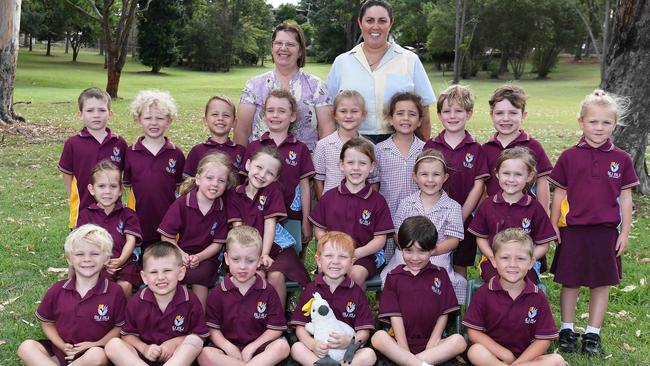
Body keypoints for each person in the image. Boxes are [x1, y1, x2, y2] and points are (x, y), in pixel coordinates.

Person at [549, 90, 639, 356]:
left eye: (606, 122)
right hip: (573, 230)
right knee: (571, 281)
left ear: (615, 124)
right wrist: (554, 223)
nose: (599, 128)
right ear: (581, 122)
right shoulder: (569, 156)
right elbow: (560, 193)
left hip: (605, 232)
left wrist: (625, 232)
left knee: (601, 283)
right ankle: (566, 330)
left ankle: (592, 335)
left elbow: (625, 199)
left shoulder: (621, 159)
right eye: (593, 122)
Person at [326, 0, 435, 144]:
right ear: (360, 22)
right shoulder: (342, 62)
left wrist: (424, 149)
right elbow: (329, 110)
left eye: (382, 21)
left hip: (400, 142)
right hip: (351, 146)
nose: (375, 26)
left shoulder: (409, 60)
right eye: (369, 20)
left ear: (391, 23)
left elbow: (424, 111)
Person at [17, 224, 127, 366]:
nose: (87, 259)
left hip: (93, 353)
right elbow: (47, 323)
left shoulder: (114, 292)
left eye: (94, 253)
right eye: (79, 254)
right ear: (69, 259)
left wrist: (96, 344)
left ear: (106, 258)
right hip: (61, 352)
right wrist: (62, 345)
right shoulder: (58, 289)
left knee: (97, 355)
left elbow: (119, 328)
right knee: (26, 347)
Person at [372, 216, 466, 366]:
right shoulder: (393, 277)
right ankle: (419, 363)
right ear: (401, 249)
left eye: (422, 251)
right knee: (379, 338)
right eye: (409, 250)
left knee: (459, 341)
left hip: (432, 345)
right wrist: (403, 349)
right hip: (400, 344)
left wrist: (433, 342)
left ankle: (410, 362)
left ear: (432, 250)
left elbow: (444, 313)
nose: (415, 258)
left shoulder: (440, 274)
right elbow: (395, 317)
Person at [463, 228, 565, 366]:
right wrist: (504, 354)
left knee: (557, 360)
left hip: (526, 359)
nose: (512, 264)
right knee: (475, 351)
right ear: (493, 261)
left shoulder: (537, 296)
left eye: (521, 259)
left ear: (531, 263)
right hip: (494, 357)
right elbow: (474, 332)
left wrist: (518, 363)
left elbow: (544, 340)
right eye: (505, 258)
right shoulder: (484, 293)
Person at [227, 147, 310, 309]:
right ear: (248, 165)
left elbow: (270, 224)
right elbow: (239, 231)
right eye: (259, 167)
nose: (262, 175)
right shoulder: (235, 194)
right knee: (255, 275)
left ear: (276, 178)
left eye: (270, 173)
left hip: (275, 248)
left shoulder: (273, 191)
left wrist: (264, 254)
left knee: (276, 276)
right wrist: (252, 256)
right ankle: (254, 320)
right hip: (246, 249)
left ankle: (277, 321)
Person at [381, 149, 466, 304]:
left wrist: (431, 252)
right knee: (390, 277)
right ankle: (396, 315)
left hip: (437, 255)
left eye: (436, 174)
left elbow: (454, 240)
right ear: (415, 177)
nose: (430, 180)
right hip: (406, 254)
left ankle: (435, 315)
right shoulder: (407, 203)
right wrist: (409, 249)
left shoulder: (452, 206)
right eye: (424, 174)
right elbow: (396, 232)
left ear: (445, 177)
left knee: (436, 281)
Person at [198, 225, 290, 366]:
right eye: (236, 259)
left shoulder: (268, 291)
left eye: (250, 260)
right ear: (227, 259)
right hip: (227, 350)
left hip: (259, 349)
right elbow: (212, 328)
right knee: (205, 355)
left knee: (282, 347)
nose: (242, 267)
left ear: (259, 260)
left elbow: (275, 328)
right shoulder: (218, 293)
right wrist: (228, 347)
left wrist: (251, 348)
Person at [104, 242, 208, 366]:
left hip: (176, 359)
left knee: (195, 341)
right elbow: (127, 335)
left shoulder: (190, 299)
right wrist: (144, 349)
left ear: (181, 273)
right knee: (113, 345)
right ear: (144, 277)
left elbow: (201, 335)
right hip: (142, 359)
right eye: (153, 272)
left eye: (167, 270)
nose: (160, 277)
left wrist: (174, 343)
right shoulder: (137, 301)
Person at [310, 138, 394, 289]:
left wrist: (356, 253)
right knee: (326, 272)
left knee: (355, 275)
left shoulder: (377, 201)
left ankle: (354, 310)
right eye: (350, 163)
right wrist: (333, 249)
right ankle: (328, 310)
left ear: (372, 167)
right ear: (341, 165)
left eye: (362, 163)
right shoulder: (329, 197)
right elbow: (319, 229)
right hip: (333, 254)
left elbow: (380, 238)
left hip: (362, 255)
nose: (356, 168)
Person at [235, 23, 334, 151]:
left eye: (290, 44)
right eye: (278, 43)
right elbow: (242, 130)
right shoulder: (254, 86)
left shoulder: (317, 87)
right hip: (260, 166)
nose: (283, 48)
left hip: (306, 167)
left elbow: (327, 131)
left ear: (300, 51)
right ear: (272, 48)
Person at [425, 85, 489, 279]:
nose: (452, 116)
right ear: (438, 114)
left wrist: (459, 217)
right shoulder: (431, 145)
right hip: (433, 218)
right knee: (433, 262)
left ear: (469, 113)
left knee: (460, 264)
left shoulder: (476, 149)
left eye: (458, 110)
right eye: (446, 111)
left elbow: (479, 185)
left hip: (464, 219)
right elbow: (424, 180)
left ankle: (458, 308)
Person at [240, 90, 315, 254]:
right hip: (257, 216)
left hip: (291, 216)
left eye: (282, 111)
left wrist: (306, 220)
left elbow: (305, 186)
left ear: (292, 116)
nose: (275, 115)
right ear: (264, 115)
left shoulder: (300, 148)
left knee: (291, 257)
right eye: (270, 110)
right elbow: (246, 185)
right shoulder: (254, 146)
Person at [158, 153, 236, 308]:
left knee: (201, 276)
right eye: (209, 178)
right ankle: (174, 315)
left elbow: (217, 244)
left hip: (206, 257)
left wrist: (199, 257)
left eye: (221, 181)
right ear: (198, 179)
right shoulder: (182, 203)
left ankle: (200, 319)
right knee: (174, 275)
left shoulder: (221, 208)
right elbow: (166, 237)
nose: (215, 184)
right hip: (179, 253)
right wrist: (182, 255)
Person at [469, 147, 556, 283]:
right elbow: (480, 238)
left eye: (518, 174)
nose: (511, 179)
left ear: (530, 176)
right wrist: (493, 257)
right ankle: (494, 304)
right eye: (506, 173)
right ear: (497, 174)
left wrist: (529, 259)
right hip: (494, 261)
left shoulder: (535, 208)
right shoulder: (487, 205)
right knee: (497, 281)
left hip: (525, 263)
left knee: (524, 282)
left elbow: (544, 244)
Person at [289, 231, 377, 366]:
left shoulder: (356, 292)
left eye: (342, 257)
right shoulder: (311, 289)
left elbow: (364, 331)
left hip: (346, 353)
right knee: (297, 349)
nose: (335, 261)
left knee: (369, 355)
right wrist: (313, 345)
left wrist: (349, 341)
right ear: (318, 260)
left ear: (352, 262)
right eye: (329, 255)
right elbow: (300, 326)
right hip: (319, 353)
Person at [124, 90, 185, 253]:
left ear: (169, 120)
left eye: (159, 118)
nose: (154, 123)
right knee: (141, 263)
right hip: (139, 221)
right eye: (148, 118)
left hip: (168, 221)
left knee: (166, 260)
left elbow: (179, 187)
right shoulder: (130, 153)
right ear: (138, 120)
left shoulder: (176, 154)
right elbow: (126, 188)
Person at [59, 87, 128, 228]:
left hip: (113, 208)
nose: (96, 115)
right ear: (80, 114)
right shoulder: (73, 143)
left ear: (110, 113)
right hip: (83, 207)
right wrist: (72, 195)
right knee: (84, 246)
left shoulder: (119, 143)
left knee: (112, 246)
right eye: (90, 110)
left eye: (102, 110)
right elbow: (67, 173)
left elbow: (125, 173)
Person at [482, 85, 553, 212]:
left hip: (527, 216)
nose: (506, 118)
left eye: (513, 113)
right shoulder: (485, 149)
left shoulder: (533, 146)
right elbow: (481, 187)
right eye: (499, 113)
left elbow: (543, 182)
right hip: (494, 215)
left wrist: (544, 215)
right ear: (491, 115)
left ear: (523, 115)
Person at [77, 160, 142, 297]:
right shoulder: (86, 215)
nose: (107, 191)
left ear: (120, 190)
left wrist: (121, 260)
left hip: (124, 263)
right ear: (92, 189)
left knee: (124, 286)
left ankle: (126, 317)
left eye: (113, 186)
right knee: (101, 286)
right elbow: (84, 244)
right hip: (96, 263)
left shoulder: (128, 214)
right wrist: (101, 262)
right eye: (101, 186)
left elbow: (131, 241)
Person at [375, 92, 426, 262]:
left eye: (412, 114)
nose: (406, 118)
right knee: (390, 265)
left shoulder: (426, 150)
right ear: (390, 119)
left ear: (419, 121)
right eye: (400, 113)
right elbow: (374, 187)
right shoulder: (380, 150)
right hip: (388, 219)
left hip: (419, 217)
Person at [313, 90, 379, 198]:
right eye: (343, 111)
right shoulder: (323, 145)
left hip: (361, 208)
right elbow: (318, 180)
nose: (348, 116)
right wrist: (324, 205)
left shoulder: (370, 146)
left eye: (354, 111)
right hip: (332, 207)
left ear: (363, 114)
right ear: (334, 114)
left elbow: (374, 180)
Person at [185, 96, 246, 176]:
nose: (220, 118)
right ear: (205, 120)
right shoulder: (197, 151)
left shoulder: (241, 151)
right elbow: (187, 182)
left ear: (234, 122)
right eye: (215, 114)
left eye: (226, 115)